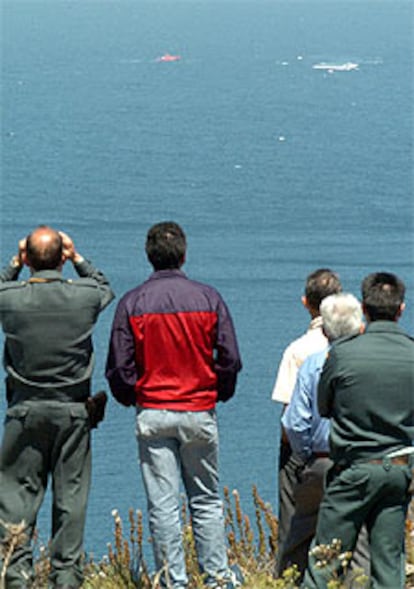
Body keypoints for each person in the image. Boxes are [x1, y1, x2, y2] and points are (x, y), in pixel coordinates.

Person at [105, 221, 243, 589]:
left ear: (149, 256)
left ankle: (173, 582)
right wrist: (219, 392)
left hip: (153, 411)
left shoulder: (132, 302)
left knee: (163, 505)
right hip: (198, 409)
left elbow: (119, 366)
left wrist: (133, 395)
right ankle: (216, 579)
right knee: (207, 501)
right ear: (184, 254)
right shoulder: (209, 298)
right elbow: (229, 358)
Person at [0, 226, 115, 589]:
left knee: (17, 499)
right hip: (72, 414)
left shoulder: (11, 298)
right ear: (62, 258)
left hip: (25, 412)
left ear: (28, 259)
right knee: (71, 499)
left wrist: (13, 264)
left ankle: (16, 577)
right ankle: (66, 579)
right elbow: (103, 286)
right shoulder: (82, 297)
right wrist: (77, 257)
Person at [302, 272, 414, 589]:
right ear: (401, 309)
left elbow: (323, 407)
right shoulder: (411, 352)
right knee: (389, 563)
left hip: (353, 469)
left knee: (326, 560)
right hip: (398, 470)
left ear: (364, 308)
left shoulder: (343, 353)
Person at [281, 293, 369, 581]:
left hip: (321, 463)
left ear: (325, 330)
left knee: (299, 540)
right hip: (363, 464)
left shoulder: (313, 364)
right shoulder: (371, 365)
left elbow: (295, 422)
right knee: (360, 544)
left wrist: (307, 456)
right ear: (361, 328)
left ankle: (289, 582)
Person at [271, 269, 342, 575]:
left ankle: (290, 575)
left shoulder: (297, 350)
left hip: (305, 454)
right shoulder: (351, 345)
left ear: (305, 303)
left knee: (293, 525)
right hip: (345, 450)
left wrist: (298, 454)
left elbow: (290, 418)